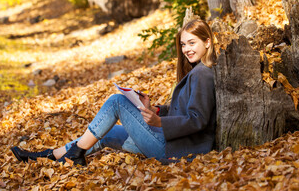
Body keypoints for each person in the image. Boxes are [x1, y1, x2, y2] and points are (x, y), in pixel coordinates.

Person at [11, 19, 217, 166]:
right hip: (171, 143)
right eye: (183, 44)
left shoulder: (203, 74)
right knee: (104, 131)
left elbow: (197, 119)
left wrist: (159, 123)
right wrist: (154, 109)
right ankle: (48, 156)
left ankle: (72, 154)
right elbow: (182, 108)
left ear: (207, 42)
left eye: (192, 43)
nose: (186, 49)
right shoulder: (196, 71)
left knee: (117, 101)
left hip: (176, 151)